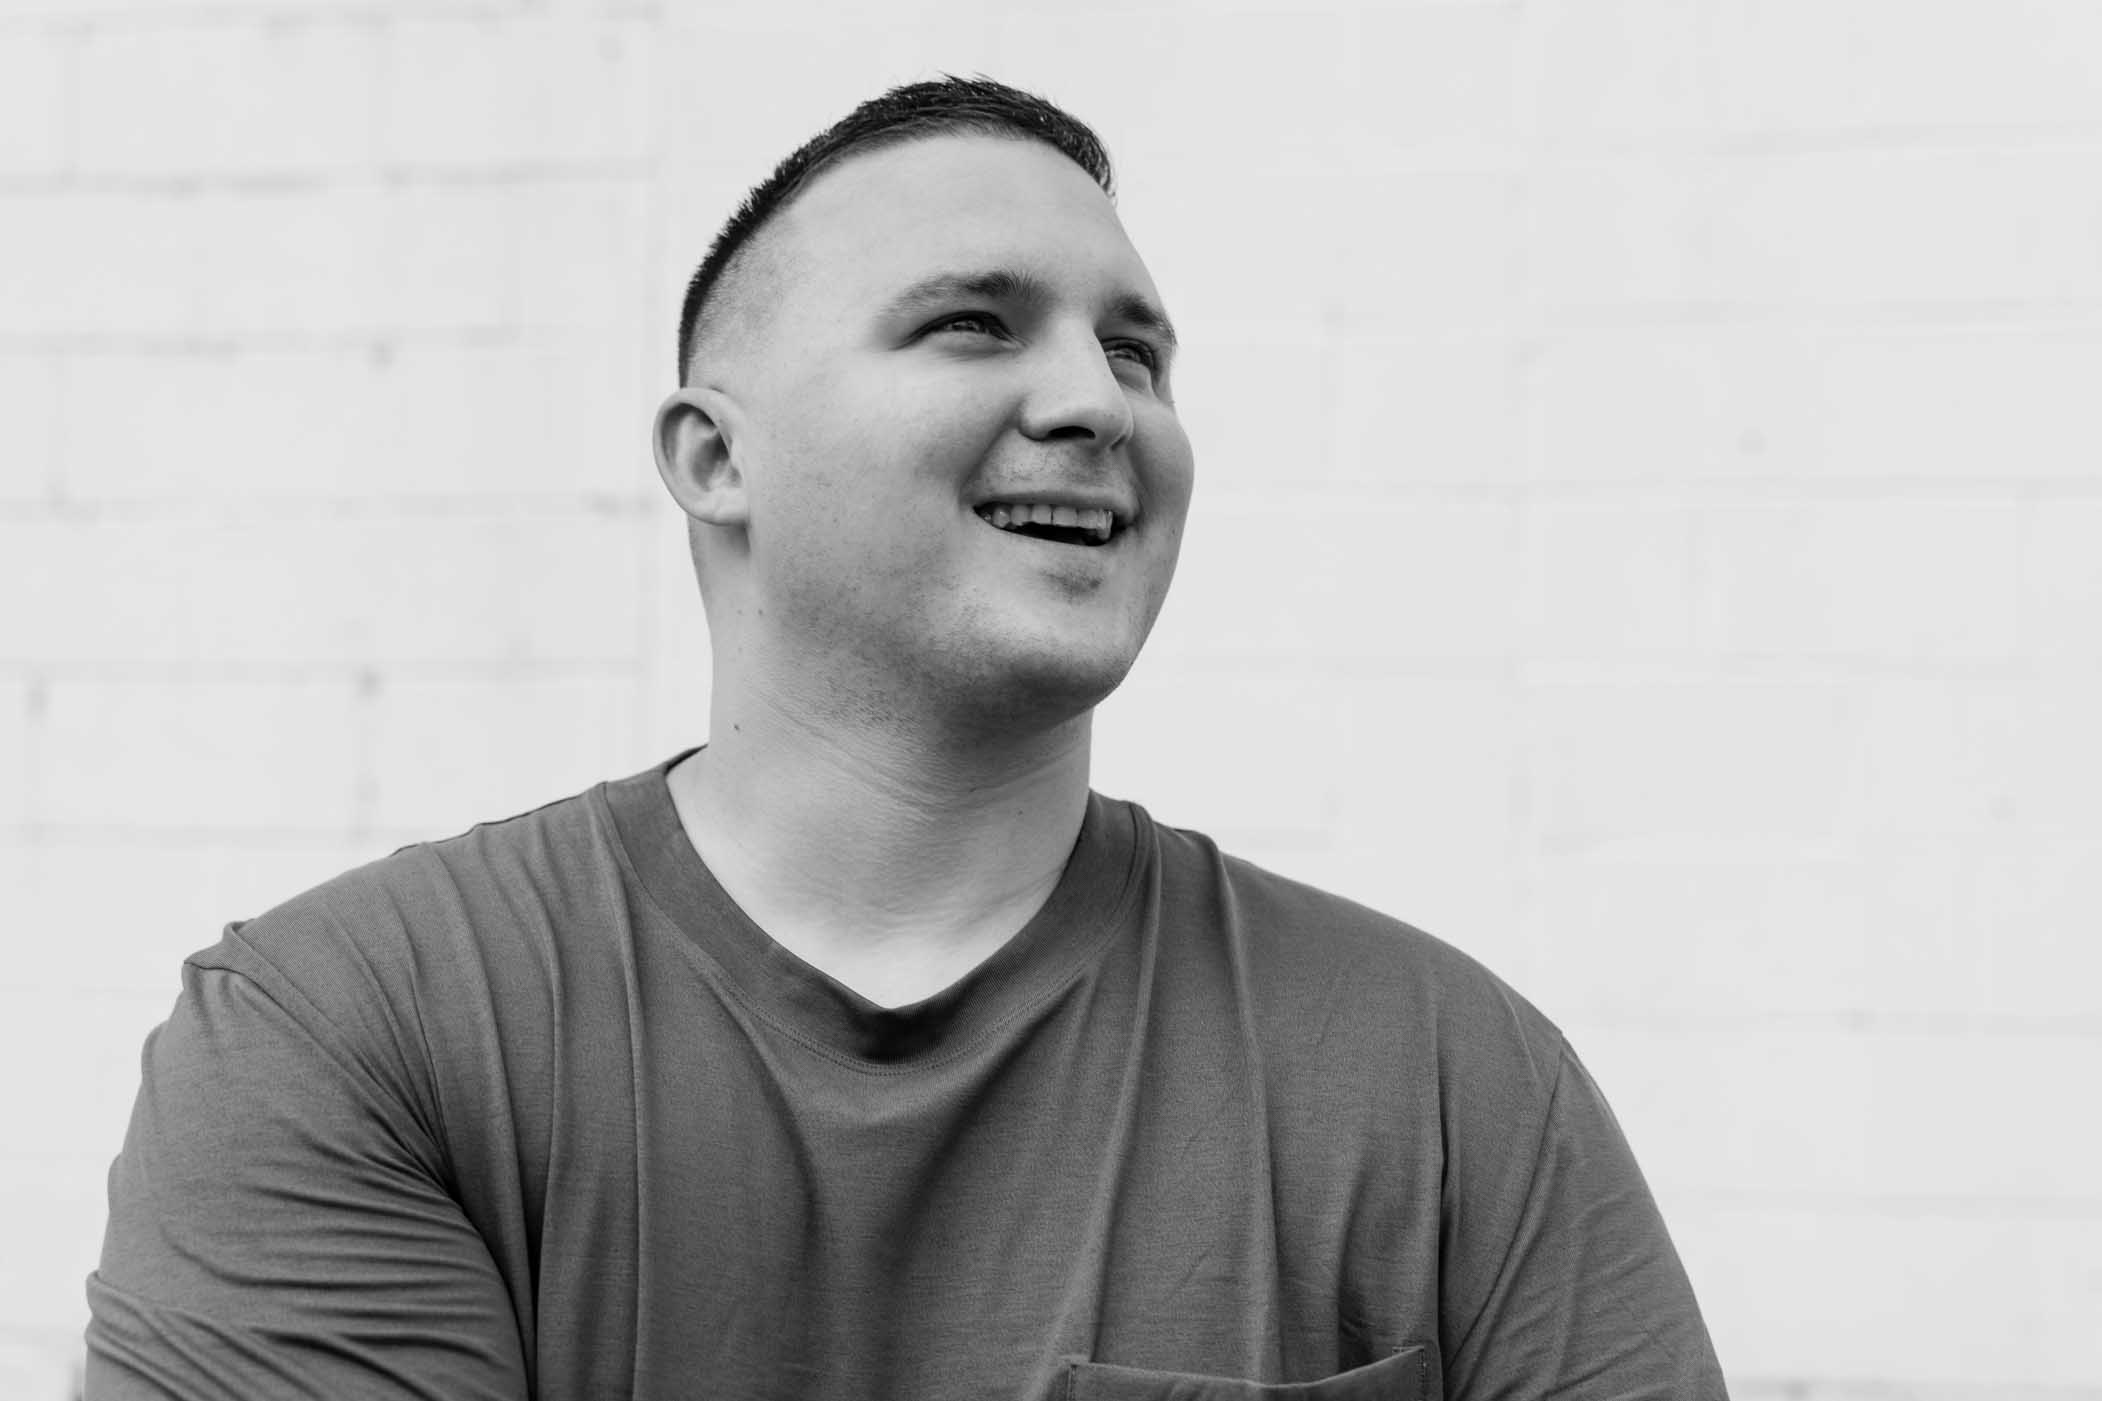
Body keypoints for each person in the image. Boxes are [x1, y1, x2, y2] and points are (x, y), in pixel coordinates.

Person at [86, 77, 1728, 1400]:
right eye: (973, 323)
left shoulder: (1439, 1074)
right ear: (715, 458)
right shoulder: (354, 1031)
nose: (1099, 402)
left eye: (1135, 351)